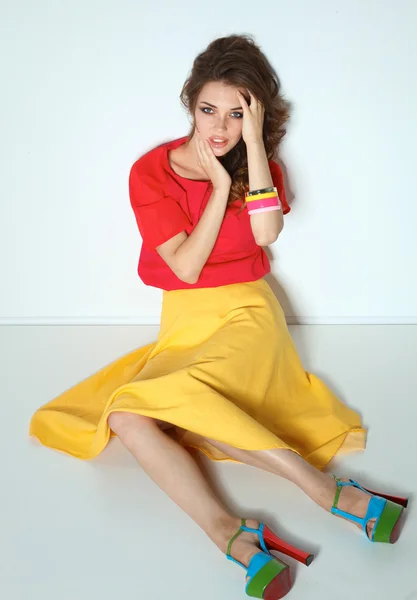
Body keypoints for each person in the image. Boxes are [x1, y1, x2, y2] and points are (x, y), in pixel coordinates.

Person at [30, 34, 407, 600]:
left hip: (248, 310)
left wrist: (252, 150)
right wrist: (218, 188)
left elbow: (265, 233)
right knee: (131, 417)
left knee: (163, 409)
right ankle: (232, 529)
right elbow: (183, 268)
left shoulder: (263, 168)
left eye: (237, 113)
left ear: (255, 115)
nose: (219, 127)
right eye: (209, 109)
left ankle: (326, 495)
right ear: (190, 103)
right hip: (185, 320)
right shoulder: (150, 173)